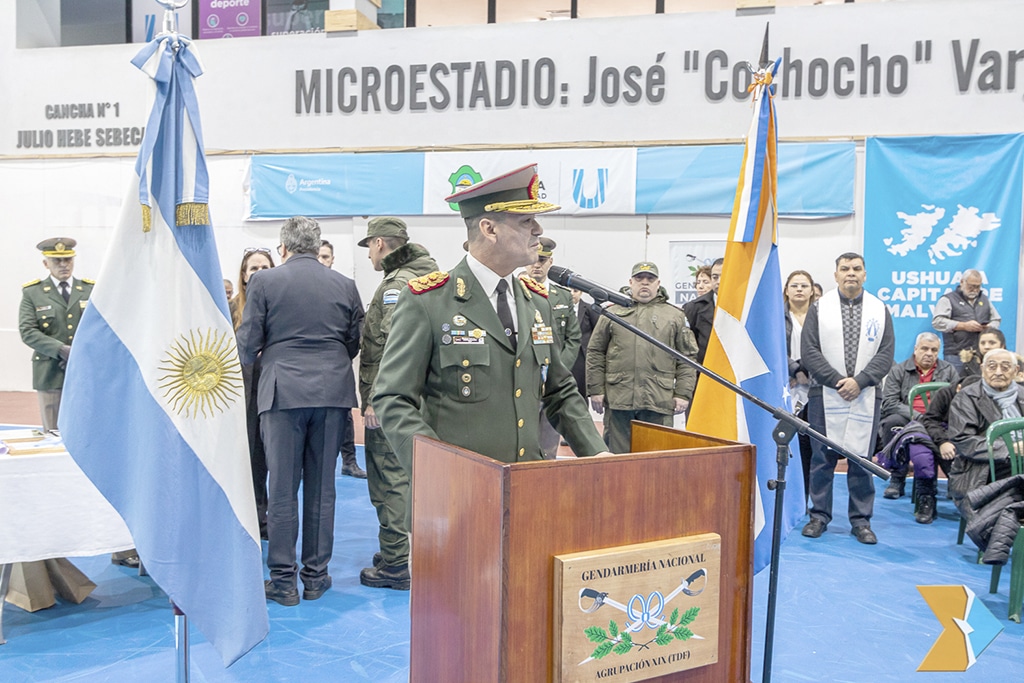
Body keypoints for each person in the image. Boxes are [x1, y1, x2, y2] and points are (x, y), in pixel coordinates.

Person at [374, 163, 609, 487]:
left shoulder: (536, 303)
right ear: (489, 228)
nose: (538, 230)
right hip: (457, 495)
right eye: (526, 220)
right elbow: (392, 397)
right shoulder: (427, 302)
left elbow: (559, 391)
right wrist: (434, 469)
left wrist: (595, 452)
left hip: (527, 488)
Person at [238, 216, 364, 606]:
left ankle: (282, 580)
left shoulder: (264, 282)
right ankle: (316, 576)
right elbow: (354, 340)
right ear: (316, 245)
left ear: (283, 248)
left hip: (281, 394)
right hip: (332, 392)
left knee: (281, 489)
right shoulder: (345, 284)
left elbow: (248, 341)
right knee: (322, 489)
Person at [356, 216, 438, 590]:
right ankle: (403, 549)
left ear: (379, 244)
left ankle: (394, 563)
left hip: (394, 401)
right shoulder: (425, 276)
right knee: (409, 477)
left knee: (390, 479)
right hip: (419, 401)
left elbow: (391, 346)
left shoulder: (396, 284)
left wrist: (376, 398)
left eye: (369, 247)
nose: (370, 255)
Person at [801, 252, 894, 545]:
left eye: (856, 268)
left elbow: (886, 353)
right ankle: (819, 516)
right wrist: (838, 381)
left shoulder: (880, 310)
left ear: (865, 274)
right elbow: (809, 350)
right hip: (825, 393)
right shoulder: (820, 308)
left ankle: (861, 521)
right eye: (845, 268)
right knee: (821, 459)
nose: (851, 273)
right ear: (836, 274)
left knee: (861, 461)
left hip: (866, 394)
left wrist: (860, 381)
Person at [586, 261, 698, 454]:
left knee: (656, 462)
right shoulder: (612, 313)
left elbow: (687, 358)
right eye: (639, 279)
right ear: (631, 282)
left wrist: (682, 393)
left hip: (658, 401)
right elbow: (595, 352)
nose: (644, 283)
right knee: (616, 460)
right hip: (619, 398)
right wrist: (595, 389)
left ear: (658, 283)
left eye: (650, 279)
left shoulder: (675, 316)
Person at [19, 238, 93, 432]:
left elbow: (99, 328)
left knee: (85, 428)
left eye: (68, 259)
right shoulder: (33, 293)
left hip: (84, 370)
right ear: (46, 264)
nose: (63, 265)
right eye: (57, 261)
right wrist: (60, 350)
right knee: (52, 432)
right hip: (50, 372)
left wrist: (77, 352)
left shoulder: (89, 290)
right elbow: (28, 331)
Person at [876, 331, 959, 499]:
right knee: (891, 422)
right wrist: (918, 416)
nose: (929, 354)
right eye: (925, 349)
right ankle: (897, 477)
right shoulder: (898, 371)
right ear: (915, 349)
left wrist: (933, 419)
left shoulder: (949, 371)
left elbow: (958, 401)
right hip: (908, 417)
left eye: (934, 350)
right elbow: (889, 403)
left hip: (938, 420)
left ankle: (955, 479)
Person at [229, 247, 275, 539]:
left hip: (270, 388)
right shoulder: (232, 307)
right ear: (244, 276)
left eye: (265, 267)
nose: (259, 273)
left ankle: (261, 516)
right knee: (242, 457)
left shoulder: (281, 304)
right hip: (238, 394)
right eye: (253, 268)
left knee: (264, 460)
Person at [947, 348, 1023, 520]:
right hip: (981, 470)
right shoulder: (967, 396)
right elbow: (964, 440)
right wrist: (1010, 450)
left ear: (1016, 371)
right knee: (1009, 505)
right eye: (992, 366)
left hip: (1021, 465)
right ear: (982, 369)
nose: (998, 372)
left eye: (1005, 367)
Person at [524, 236, 581, 458]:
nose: (536, 265)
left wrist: (558, 371)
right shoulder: (515, 291)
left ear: (550, 262)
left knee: (548, 443)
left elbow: (573, 338)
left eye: (542, 260)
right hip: (526, 377)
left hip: (553, 382)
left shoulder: (562, 295)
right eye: (533, 260)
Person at [318, 239, 365, 478]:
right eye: (319, 256)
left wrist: (347, 352)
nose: (322, 261)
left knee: (345, 414)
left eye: (326, 256)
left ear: (333, 259)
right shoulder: (303, 287)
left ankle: (349, 460)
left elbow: (358, 321)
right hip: (310, 365)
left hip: (339, 363)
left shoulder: (345, 286)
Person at [784, 270, 816, 502]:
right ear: (786, 290)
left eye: (804, 285)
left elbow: (824, 349)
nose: (799, 289)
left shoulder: (821, 316)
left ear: (812, 290)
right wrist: (794, 370)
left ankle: (806, 492)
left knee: (807, 442)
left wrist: (804, 370)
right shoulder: (776, 316)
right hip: (785, 383)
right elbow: (771, 348)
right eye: (794, 285)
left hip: (814, 384)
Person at [932, 269, 1001, 372]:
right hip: (956, 354)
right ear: (962, 282)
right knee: (955, 385)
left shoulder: (984, 299)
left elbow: (996, 319)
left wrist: (989, 328)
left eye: (977, 287)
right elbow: (937, 322)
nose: (974, 290)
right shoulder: (948, 299)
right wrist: (962, 326)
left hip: (980, 355)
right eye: (971, 286)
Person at [683, 257, 723, 364]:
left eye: (705, 282)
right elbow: (686, 347)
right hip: (704, 371)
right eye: (715, 277)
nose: (718, 282)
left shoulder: (746, 306)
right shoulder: (693, 307)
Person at [571, 287, 602, 400]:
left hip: (582, 357)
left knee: (580, 393)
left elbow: (598, 333)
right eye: (568, 291)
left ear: (581, 292)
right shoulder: (558, 308)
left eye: (575, 291)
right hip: (565, 355)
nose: (572, 294)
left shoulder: (590, 309)